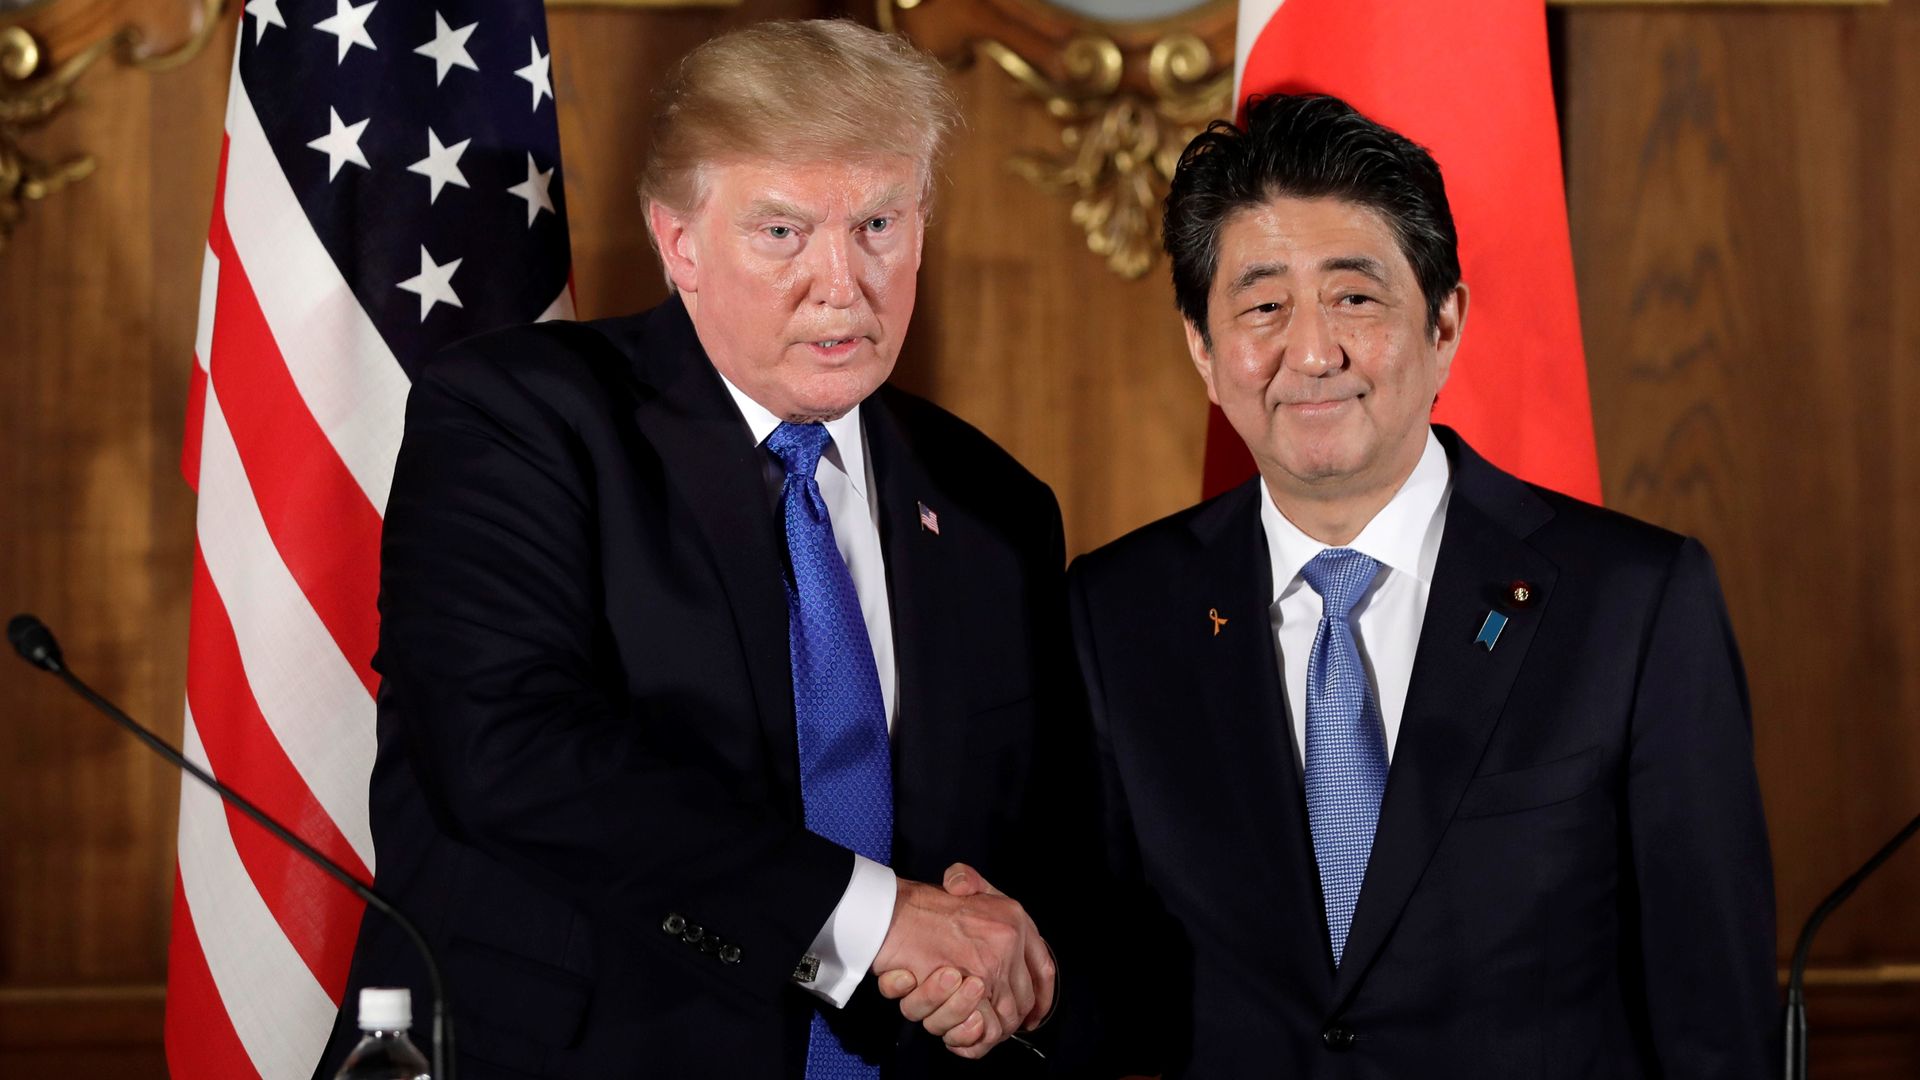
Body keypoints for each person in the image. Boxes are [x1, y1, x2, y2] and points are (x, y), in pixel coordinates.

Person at [313, 20, 1080, 1079]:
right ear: (678, 242)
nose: (842, 282)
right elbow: (506, 752)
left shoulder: (995, 505)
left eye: (877, 224)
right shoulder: (518, 420)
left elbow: (1032, 844)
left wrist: (1003, 967)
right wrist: (870, 921)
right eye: (781, 233)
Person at [1067, 93, 1777, 1077]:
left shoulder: (1634, 604)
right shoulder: (1118, 611)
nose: (1310, 353)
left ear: (1445, 323)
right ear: (1203, 349)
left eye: (1355, 297)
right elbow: (1108, 990)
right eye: (1262, 305)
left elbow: (1716, 1020)